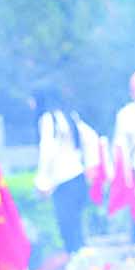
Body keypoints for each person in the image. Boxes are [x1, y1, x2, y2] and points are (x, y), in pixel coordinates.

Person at [33, 89, 93, 255]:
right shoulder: (70, 116)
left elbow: (47, 150)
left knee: (68, 231)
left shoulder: (48, 120)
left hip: (64, 180)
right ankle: (84, 269)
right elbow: (89, 139)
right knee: (78, 229)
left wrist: (42, 182)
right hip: (78, 176)